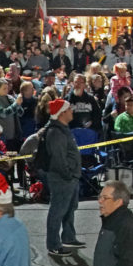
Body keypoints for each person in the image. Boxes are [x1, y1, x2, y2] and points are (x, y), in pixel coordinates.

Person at [44, 99, 84, 256]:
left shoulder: (63, 129)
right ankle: (53, 244)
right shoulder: (55, 132)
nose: (72, 111)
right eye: (69, 109)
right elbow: (58, 158)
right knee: (58, 210)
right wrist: (69, 174)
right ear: (62, 113)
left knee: (70, 208)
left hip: (70, 177)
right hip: (62, 178)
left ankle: (68, 236)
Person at [93, 180, 133, 266]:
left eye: (105, 198)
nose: (100, 201)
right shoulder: (111, 219)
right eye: (100, 197)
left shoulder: (125, 224)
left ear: (118, 202)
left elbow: (127, 264)